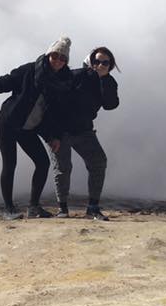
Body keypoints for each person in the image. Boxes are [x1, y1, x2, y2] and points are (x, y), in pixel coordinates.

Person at [0, 37, 73, 219]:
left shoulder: (63, 82)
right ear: (48, 54)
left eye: (63, 58)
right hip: (8, 123)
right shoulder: (30, 70)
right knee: (10, 164)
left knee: (43, 163)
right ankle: (9, 209)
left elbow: (55, 114)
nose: (58, 61)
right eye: (55, 55)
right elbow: (6, 82)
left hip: (29, 129)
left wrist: (53, 136)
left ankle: (34, 207)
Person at [48, 46, 120, 220]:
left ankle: (93, 208)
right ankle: (62, 209)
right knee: (63, 168)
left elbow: (110, 105)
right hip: (60, 130)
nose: (100, 65)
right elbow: (53, 99)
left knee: (98, 162)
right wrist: (51, 134)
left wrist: (103, 80)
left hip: (84, 130)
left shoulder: (109, 82)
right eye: (97, 61)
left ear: (110, 65)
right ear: (91, 62)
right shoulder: (77, 75)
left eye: (105, 62)